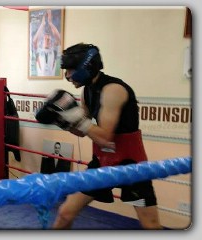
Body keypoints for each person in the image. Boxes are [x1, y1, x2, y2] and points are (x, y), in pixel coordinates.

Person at [35, 43, 162, 229]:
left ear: (87, 66)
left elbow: (104, 138)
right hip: (102, 163)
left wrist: (76, 117)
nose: (67, 75)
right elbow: (83, 131)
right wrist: (62, 120)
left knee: (151, 225)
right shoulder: (87, 91)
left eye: (71, 70)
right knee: (65, 213)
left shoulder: (113, 90)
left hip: (131, 167)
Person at [32, 9, 61, 77]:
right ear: (41, 42)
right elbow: (34, 41)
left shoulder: (54, 51)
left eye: (49, 39)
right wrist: (42, 24)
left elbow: (58, 38)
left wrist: (50, 23)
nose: (47, 40)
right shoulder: (39, 51)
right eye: (45, 38)